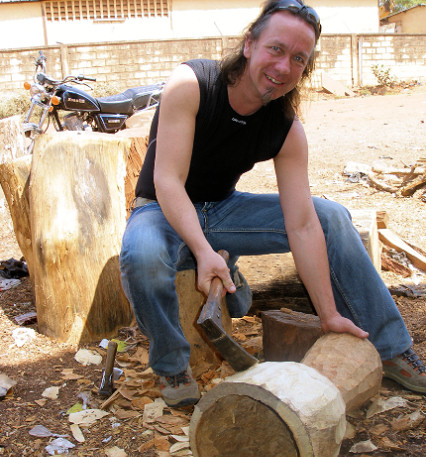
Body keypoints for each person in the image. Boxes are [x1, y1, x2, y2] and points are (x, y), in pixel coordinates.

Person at [120, 0, 425, 407]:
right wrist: (203, 251)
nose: (284, 67)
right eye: (276, 49)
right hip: (161, 208)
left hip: (224, 211)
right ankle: (172, 365)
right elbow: (167, 181)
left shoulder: (286, 129)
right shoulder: (192, 84)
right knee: (141, 257)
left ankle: (390, 348)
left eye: (298, 58)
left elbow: (302, 224)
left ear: (306, 68)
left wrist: (327, 313)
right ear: (249, 44)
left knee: (331, 216)